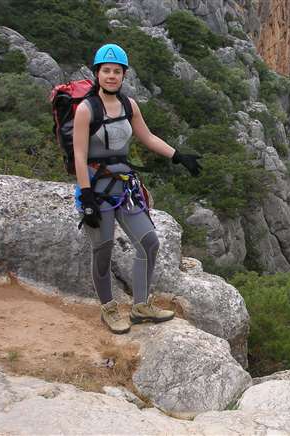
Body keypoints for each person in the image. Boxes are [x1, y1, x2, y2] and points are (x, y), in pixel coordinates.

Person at [74, 43, 201, 334]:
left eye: (116, 71)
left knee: (150, 242)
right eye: (105, 71)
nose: (111, 76)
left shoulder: (129, 106)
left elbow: (147, 136)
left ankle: (141, 306)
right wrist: (86, 195)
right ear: (97, 74)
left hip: (124, 187)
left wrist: (178, 156)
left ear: (123, 75)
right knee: (102, 252)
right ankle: (108, 308)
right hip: (96, 188)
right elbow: (80, 154)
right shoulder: (86, 109)